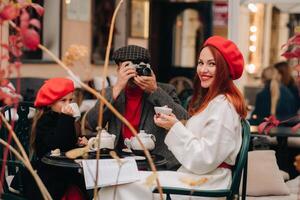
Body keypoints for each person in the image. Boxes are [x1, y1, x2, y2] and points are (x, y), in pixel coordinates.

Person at [99, 36, 247, 199]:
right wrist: (174, 125)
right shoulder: (216, 102)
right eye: (200, 63)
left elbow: (204, 159)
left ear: (225, 69)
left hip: (206, 184)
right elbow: (92, 122)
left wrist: (174, 126)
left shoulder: (223, 106)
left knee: (119, 185)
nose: (203, 70)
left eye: (212, 64)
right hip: (196, 178)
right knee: (116, 183)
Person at [86, 45, 188, 169]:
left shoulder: (165, 90)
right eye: (127, 67)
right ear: (118, 69)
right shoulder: (111, 93)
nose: (133, 73)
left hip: (155, 164)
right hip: (120, 164)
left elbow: (183, 119)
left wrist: (155, 91)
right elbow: (92, 123)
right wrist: (117, 88)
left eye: (137, 67)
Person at [20, 78, 88, 199]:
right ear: (50, 102)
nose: (68, 104)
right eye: (63, 100)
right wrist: (66, 119)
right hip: (48, 174)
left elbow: (67, 145)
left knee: (84, 186)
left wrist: (78, 143)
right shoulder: (45, 120)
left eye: (70, 100)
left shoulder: (64, 118)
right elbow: (57, 145)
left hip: (64, 170)